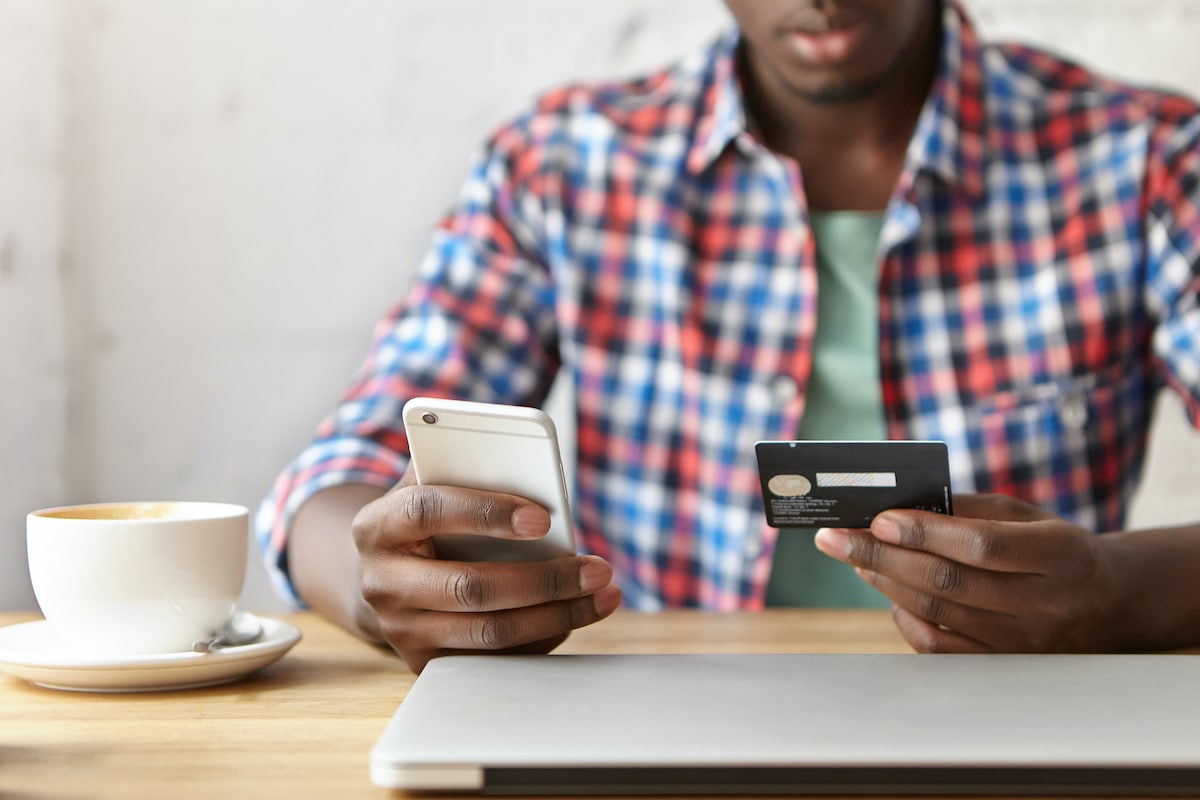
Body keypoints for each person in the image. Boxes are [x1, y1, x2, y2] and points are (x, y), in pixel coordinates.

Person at [257, 0, 1200, 673]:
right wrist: (379, 580)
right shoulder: (563, 164)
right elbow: (340, 472)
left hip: (1028, 707)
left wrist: (1117, 592)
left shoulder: (1147, 159)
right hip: (655, 706)